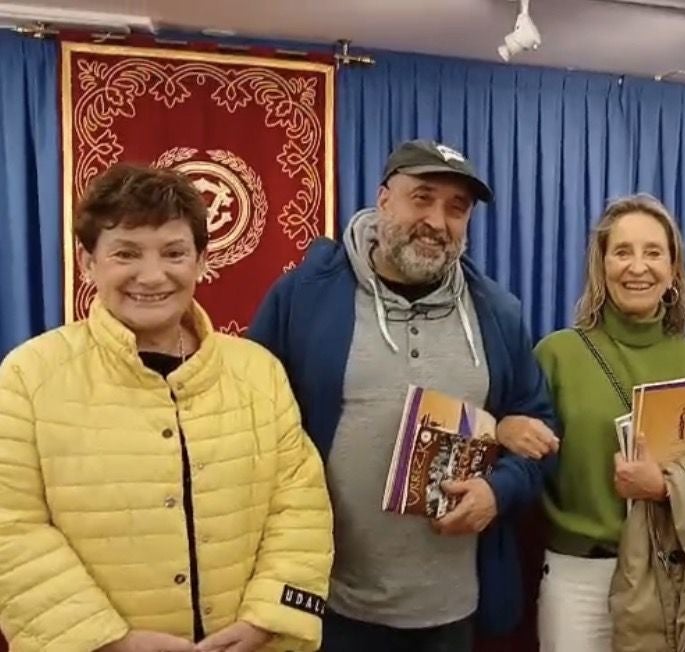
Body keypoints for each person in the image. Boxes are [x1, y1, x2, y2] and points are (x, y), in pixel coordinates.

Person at [0, 163, 333, 652]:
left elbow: (300, 509)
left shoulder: (258, 372)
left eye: (174, 253)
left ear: (201, 261)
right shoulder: (29, 376)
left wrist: (266, 619)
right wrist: (111, 641)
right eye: (126, 253)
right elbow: (11, 527)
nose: (152, 276)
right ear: (88, 262)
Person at [248, 139, 558, 652]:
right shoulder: (304, 295)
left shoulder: (498, 313)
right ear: (384, 199)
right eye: (423, 198)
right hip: (328, 599)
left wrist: (498, 491)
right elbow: (254, 420)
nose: (437, 221)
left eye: (456, 209)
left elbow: (537, 430)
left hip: (453, 610)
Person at [532, 194, 685, 652]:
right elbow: (523, 464)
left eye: (653, 252)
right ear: (601, 265)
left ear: (673, 270)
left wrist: (666, 486)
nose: (638, 267)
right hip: (580, 577)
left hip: (676, 570)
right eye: (622, 252)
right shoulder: (556, 355)